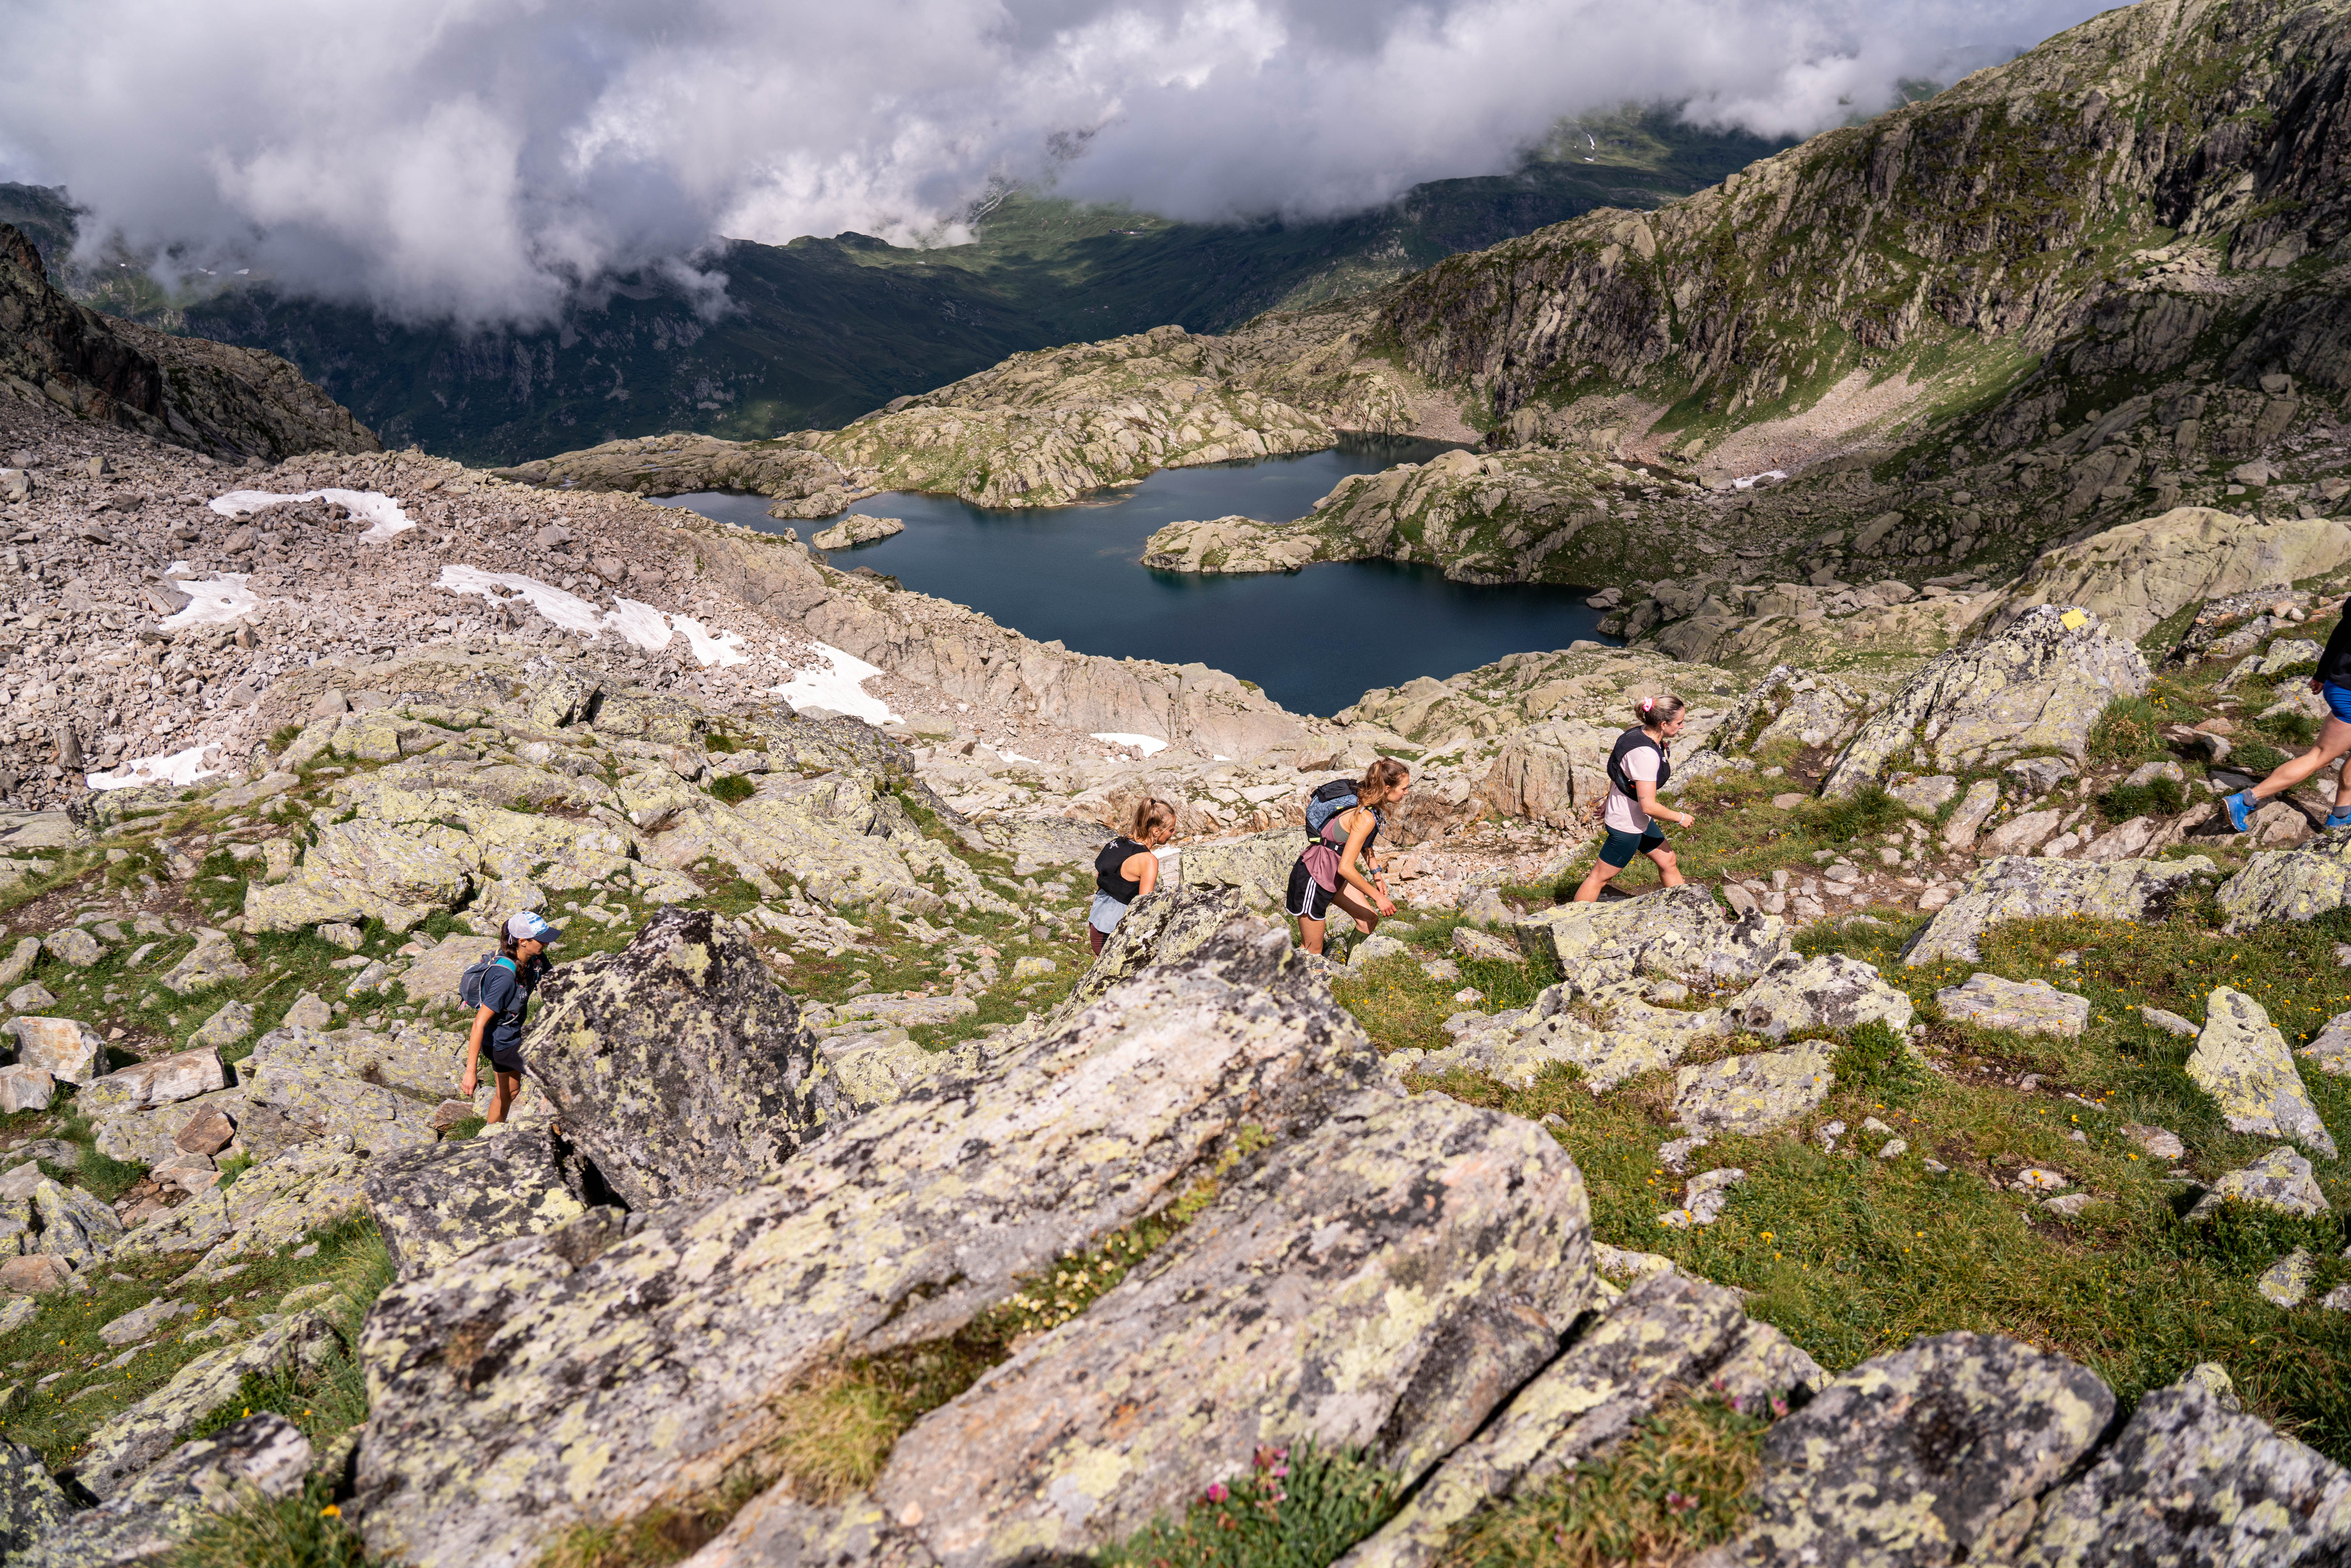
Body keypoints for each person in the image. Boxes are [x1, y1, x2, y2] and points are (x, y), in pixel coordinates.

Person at [2223, 609, 2351, 833]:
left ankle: (2341, 815)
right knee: (2319, 757)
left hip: (2340, 683)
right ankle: (2245, 801)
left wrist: (2321, 674)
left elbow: (2341, 634)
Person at [1574, 694, 1696, 902]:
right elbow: (1648, 805)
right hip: (1627, 826)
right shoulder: (1646, 755)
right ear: (1664, 724)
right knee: (1598, 878)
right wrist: (1680, 817)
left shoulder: (1635, 734)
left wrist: (1608, 801)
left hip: (1634, 816)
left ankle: (1685, 908)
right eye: (1680, 722)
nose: (1682, 727)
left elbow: (1619, 771)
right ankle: (1570, 928)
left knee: (1668, 861)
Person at [1287, 758, 1410, 956]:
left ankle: (1350, 966)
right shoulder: (1366, 816)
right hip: (1315, 877)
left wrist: (1377, 876)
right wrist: (1377, 897)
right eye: (1404, 788)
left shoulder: (1370, 807)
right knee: (1312, 953)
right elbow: (1346, 867)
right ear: (1388, 788)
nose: (1406, 792)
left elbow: (1364, 845)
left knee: (1369, 920)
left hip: (1332, 876)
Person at [461, 911, 561, 1124]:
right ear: (523, 942)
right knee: (555, 1071)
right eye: (541, 939)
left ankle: (490, 1136)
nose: (547, 943)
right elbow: (479, 1023)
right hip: (501, 1044)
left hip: (513, 1034)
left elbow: (556, 984)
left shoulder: (536, 957)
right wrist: (471, 1072)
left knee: (510, 1092)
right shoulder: (505, 977)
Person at [1090, 798, 1179, 953]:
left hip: (1098, 923)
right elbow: (1145, 906)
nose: (1174, 833)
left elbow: (1103, 874)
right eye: (1171, 830)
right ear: (1156, 832)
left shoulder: (1121, 842)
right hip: (1113, 930)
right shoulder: (1148, 861)